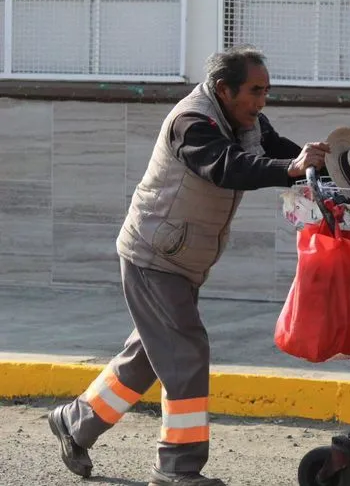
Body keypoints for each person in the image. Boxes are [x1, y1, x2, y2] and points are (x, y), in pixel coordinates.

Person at [47, 45, 330, 486]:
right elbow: (226, 167)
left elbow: (272, 149)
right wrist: (292, 170)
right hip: (154, 256)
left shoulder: (246, 119)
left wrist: (329, 170)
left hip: (182, 258)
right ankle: (177, 468)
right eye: (255, 91)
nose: (262, 101)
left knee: (148, 358)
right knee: (185, 351)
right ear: (224, 89)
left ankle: (75, 422)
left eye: (266, 92)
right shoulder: (192, 123)